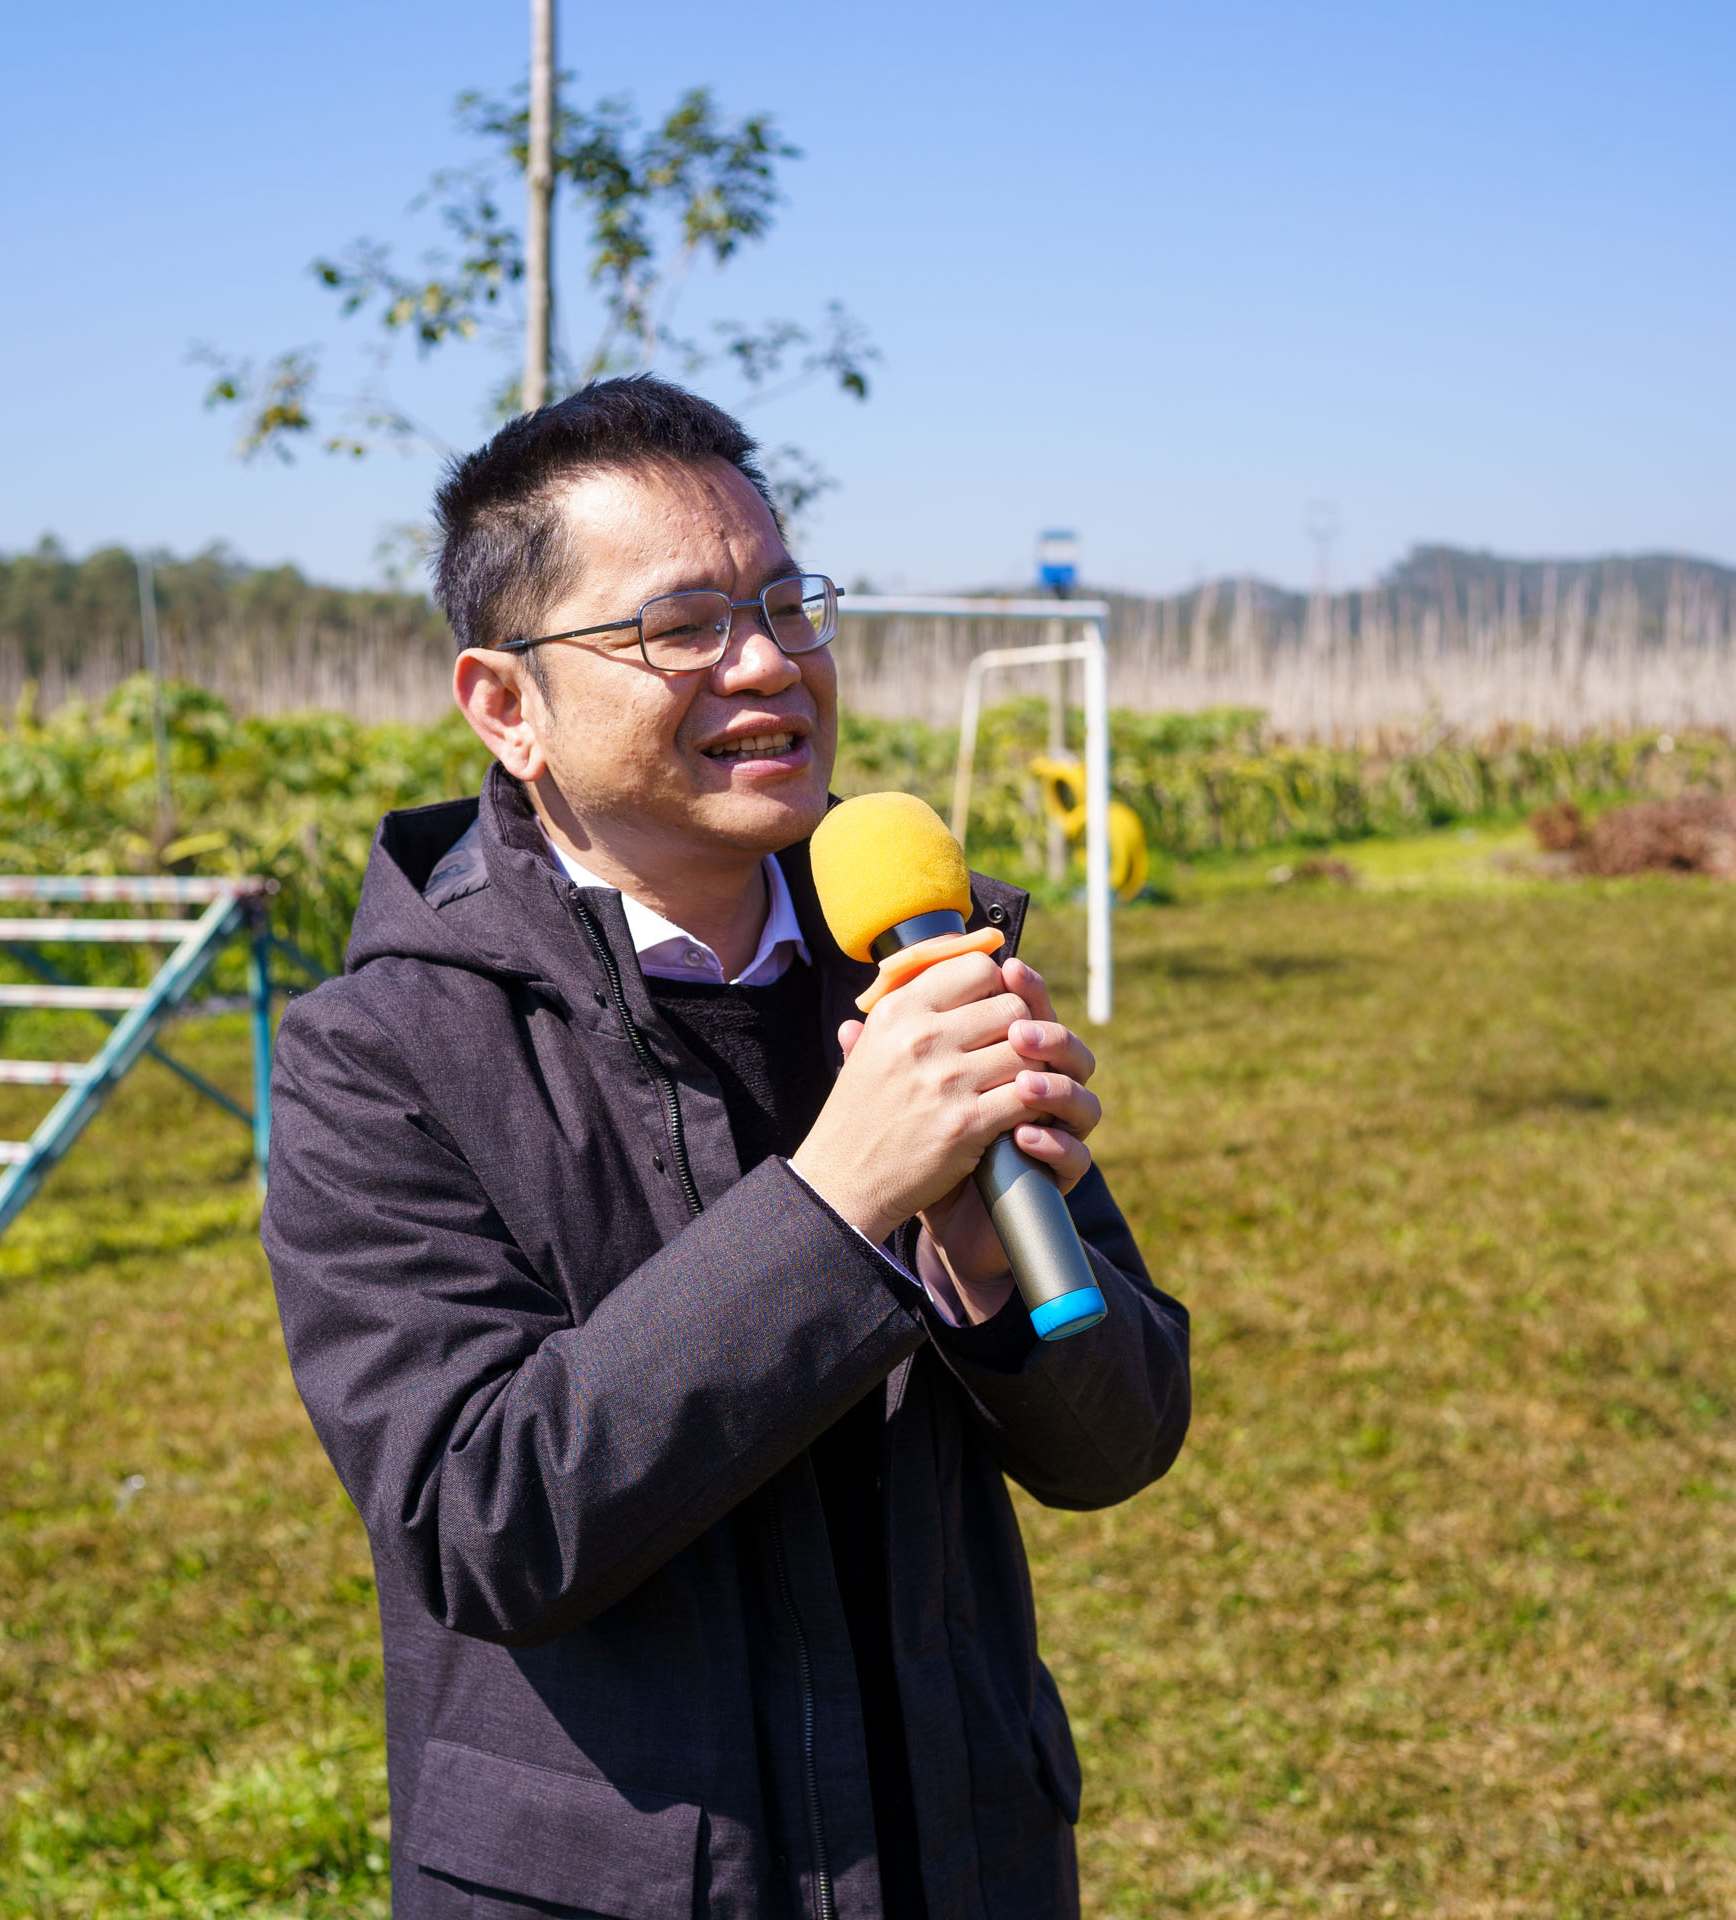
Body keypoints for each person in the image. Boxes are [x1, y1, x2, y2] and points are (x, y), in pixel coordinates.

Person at [262, 375, 1190, 1919]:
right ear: (507, 706)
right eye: (680, 625)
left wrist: (985, 1271)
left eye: (786, 602)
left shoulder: (915, 967)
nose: (766, 664)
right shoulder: (380, 1056)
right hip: (623, 1884)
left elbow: (1120, 1442)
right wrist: (841, 1202)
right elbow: (483, 1521)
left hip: (961, 1850)